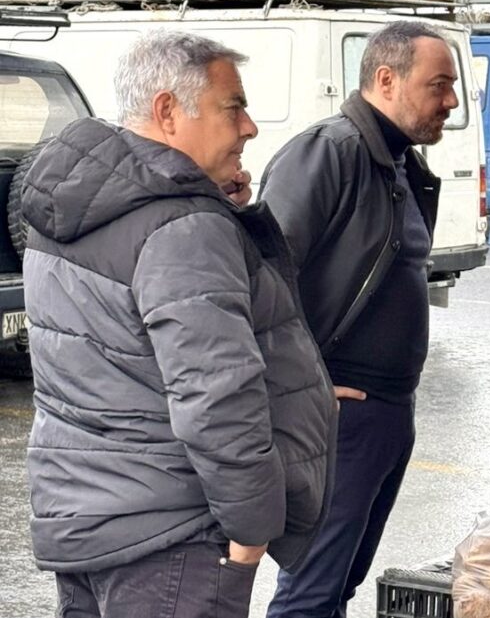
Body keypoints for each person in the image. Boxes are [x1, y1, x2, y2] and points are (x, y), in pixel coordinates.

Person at [21, 31, 335, 618]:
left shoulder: (71, 207)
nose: (249, 127)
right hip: (172, 535)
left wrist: (223, 212)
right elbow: (217, 394)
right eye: (232, 107)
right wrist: (251, 530)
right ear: (168, 111)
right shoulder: (182, 226)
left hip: (82, 517)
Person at [260, 20, 457, 618]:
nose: (451, 101)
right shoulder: (330, 151)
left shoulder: (397, 163)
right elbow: (261, 278)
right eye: (439, 85)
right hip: (341, 411)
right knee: (310, 594)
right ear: (387, 80)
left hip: (389, 410)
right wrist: (298, 383)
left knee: (337, 587)